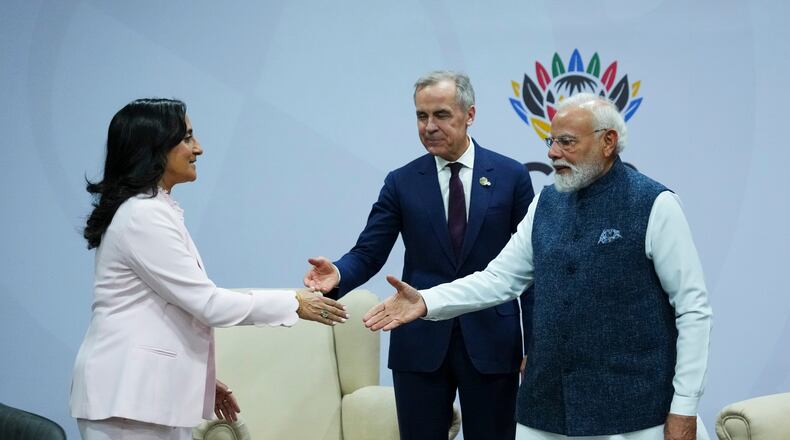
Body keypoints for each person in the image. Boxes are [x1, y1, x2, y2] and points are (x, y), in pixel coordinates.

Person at [363, 93, 713, 440]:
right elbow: (498, 279)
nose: (552, 153)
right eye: (551, 140)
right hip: (544, 412)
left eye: (566, 142)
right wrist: (427, 302)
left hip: (635, 413)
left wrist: (684, 406)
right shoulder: (546, 203)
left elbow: (693, 310)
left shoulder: (655, 205)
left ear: (608, 142)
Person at [70, 98, 348, 440]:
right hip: (128, 400)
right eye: (187, 137)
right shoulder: (144, 215)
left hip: (142, 398)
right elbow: (207, 304)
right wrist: (294, 302)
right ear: (155, 147)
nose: (198, 148)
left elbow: (166, 310)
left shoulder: (152, 209)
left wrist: (198, 378)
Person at [304, 71, 535, 440]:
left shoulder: (511, 176)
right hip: (420, 344)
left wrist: (535, 346)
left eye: (441, 115)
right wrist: (339, 275)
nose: (429, 126)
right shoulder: (402, 181)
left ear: (469, 115)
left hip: (492, 342)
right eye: (421, 116)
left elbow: (530, 271)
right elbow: (368, 251)